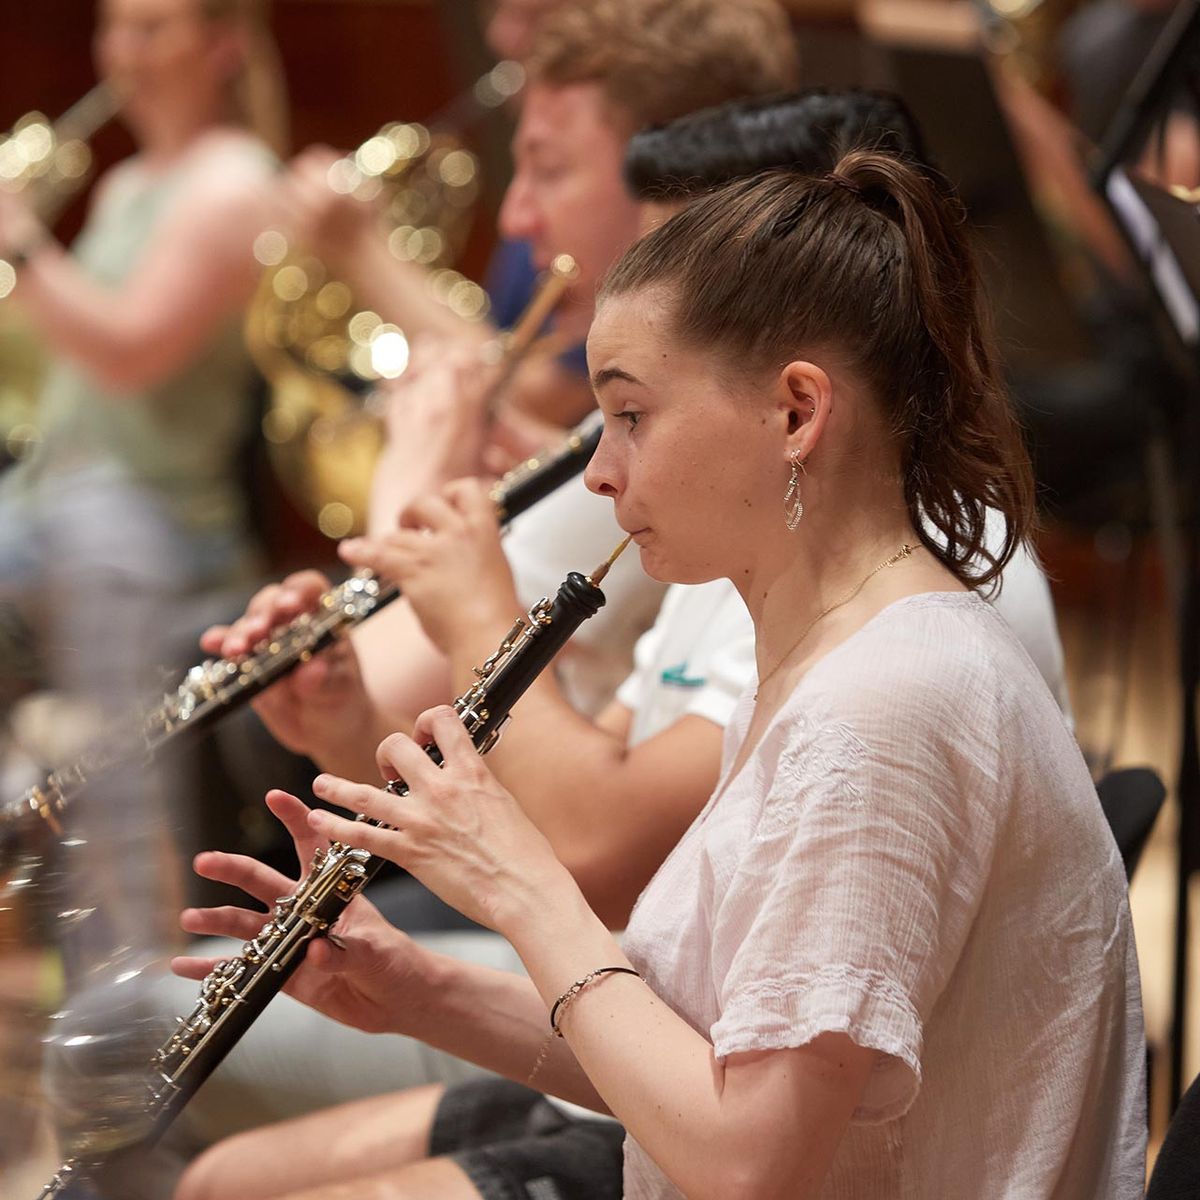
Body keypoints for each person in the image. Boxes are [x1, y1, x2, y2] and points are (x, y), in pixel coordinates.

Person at [175, 147, 1143, 1197]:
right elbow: (690, 1062)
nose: (599, 469)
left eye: (631, 414)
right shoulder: (824, 658)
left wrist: (519, 883)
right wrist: (420, 990)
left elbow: (747, 1163)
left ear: (795, 414)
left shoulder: (886, 710)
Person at [0, 0, 285, 713]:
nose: (124, 54)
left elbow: (131, 351)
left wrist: (20, 239)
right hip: (55, 493)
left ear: (220, 46)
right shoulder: (128, 184)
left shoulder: (234, 181)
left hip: (153, 513)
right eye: (114, 28)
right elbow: (57, 347)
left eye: (152, 30)